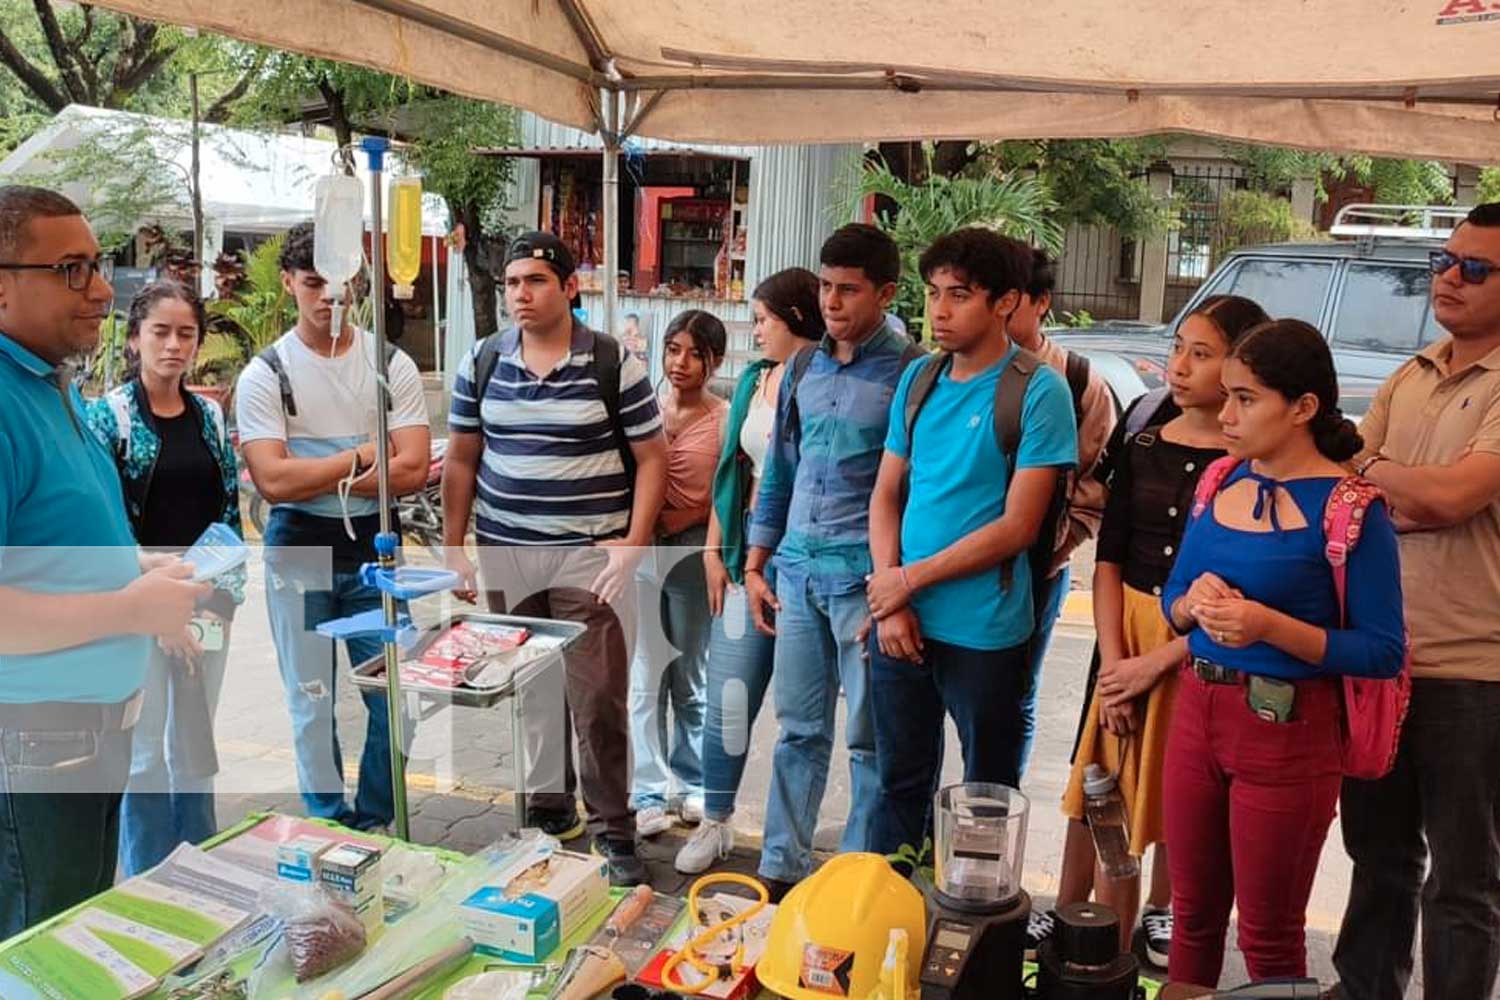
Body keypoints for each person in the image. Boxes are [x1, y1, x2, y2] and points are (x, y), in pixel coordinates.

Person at [1160, 319, 1406, 985]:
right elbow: (1174, 594)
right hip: (1197, 713)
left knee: (1268, 936)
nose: (1227, 412)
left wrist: (1267, 625)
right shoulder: (1219, 480)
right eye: (1228, 395)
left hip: (1289, 734)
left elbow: (1383, 652)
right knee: (1191, 917)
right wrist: (1191, 606)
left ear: (1302, 409)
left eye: (1247, 398)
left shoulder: (1353, 510)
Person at [1037, 296, 1269, 967]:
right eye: (1179, 349)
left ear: (1241, 364)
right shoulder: (1142, 436)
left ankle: (1168, 909)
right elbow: (1107, 555)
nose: (1182, 366)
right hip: (1125, 632)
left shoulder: (1250, 459)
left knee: (1182, 778)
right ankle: (1075, 910)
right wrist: (1116, 662)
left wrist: (1156, 660)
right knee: (1103, 770)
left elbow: (1245, 582)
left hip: (1196, 644)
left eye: (1203, 353)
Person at [0, 185, 207, 935]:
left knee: (72, 937)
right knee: (37, 950)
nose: (98, 290)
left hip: (78, 740)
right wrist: (128, 609)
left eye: (97, 266)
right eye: (70, 270)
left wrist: (135, 570)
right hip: (33, 748)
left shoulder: (48, 386)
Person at [443, 231, 667, 886]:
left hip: (587, 559)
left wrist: (631, 544)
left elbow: (652, 458)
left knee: (597, 697)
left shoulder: (611, 363)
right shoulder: (481, 360)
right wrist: (456, 549)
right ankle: (548, 809)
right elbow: (461, 459)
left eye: (535, 280)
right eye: (512, 282)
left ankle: (614, 831)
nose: (520, 294)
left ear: (570, 287)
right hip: (508, 552)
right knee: (532, 691)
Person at [863, 228, 1077, 864]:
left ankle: (975, 940)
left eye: (960, 295)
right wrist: (891, 597)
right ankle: (887, 922)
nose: (939, 310)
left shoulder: (1038, 390)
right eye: (933, 294)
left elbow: (1019, 527)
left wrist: (909, 580)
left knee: (985, 798)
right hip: (902, 621)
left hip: (985, 629)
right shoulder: (920, 379)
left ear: (1007, 302)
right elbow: (885, 497)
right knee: (897, 784)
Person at [1332, 202, 1500, 1000]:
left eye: (1476, 268)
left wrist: (1381, 472)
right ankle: (1364, 989)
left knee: (1464, 880)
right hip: (1383, 655)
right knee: (1377, 856)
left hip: (1475, 667)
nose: (1450, 278)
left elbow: (1449, 499)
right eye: (1444, 259)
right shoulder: (1414, 369)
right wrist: (1389, 479)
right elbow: (1349, 488)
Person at [743, 223, 924, 899]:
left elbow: (914, 491)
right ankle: (781, 869)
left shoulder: (911, 371)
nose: (832, 302)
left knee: (869, 742)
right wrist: (757, 564)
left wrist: (897, 587)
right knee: (797, 730)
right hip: (795, 572)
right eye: (825, 286)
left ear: (885, 293)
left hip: (865, 584)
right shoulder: (800, 368)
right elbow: (781, 472)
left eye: (849, 290)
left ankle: (856, 878)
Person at [236, 222, 431, 831]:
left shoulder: (390, 363)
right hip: (298, 550)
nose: (328, 297)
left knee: (398, 694)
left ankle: (373, 819)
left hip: (376, 552)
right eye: (314, 282)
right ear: (290, 283)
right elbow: (272, 481)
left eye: (341, 283)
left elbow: (414, 468)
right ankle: (326, 821)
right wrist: (358, 459)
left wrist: (314, 472)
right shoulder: (267, 374)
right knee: (310, 700)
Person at [84, 281, 246, 877]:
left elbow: (226, 518)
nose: (174, 345)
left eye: (186, 334)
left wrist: (210, 602)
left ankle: (202, 868)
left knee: (195, 747)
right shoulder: (109, 418)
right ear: (134, 338)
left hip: (207, 603)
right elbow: (106, 525)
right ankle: (150, 880)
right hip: (138, 605)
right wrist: (158, 614)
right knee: (146, 750)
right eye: (161, 331)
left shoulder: (209, 414)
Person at [675, 268, 826, 875]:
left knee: (800, 718)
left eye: (762, 319)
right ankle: (715, 819)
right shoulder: (754, 381)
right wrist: (717, 552)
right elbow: (732, 473)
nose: (755, 330)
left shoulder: (826, 376)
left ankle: (789, 849)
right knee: (727, 697)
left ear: (793, 318)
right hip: (746, 557)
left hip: (808, 562)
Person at [1006, 247, 1118, 777]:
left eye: (1010, 301)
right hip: (949, 569)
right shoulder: (946, 374)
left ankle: (995, 815)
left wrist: (1054, 548)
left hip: (1034, 569)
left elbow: (1097, 483)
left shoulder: (1076, 382)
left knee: (1015, 695)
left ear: (1041, 302)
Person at [629, 309, 727, 837]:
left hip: (694, 555)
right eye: (673, 350)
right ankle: (646, 789)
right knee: (645, 677)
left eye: (694, 353)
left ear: (714, 361)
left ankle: (691, 782)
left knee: (690, 676)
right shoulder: (645, 407)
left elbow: (731, 494)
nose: (681, 363)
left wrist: (691, 518)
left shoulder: (725, 417)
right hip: (644, 551)